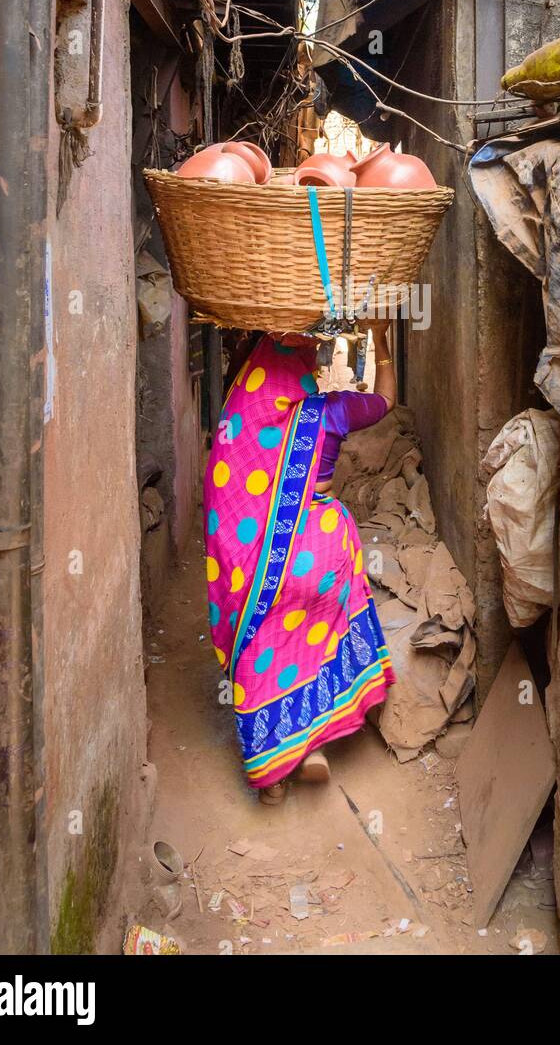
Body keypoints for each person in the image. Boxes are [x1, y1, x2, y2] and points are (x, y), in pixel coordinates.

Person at [204, 323, 397, 806]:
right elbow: (386, 400)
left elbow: (223, 500)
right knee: (318, 615)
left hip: (256, 573)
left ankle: (271, 775)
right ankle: (312, 740)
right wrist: (381, 342)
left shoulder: (241, 407)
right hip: (320, 557)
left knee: (263, 643)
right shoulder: (333, 411)